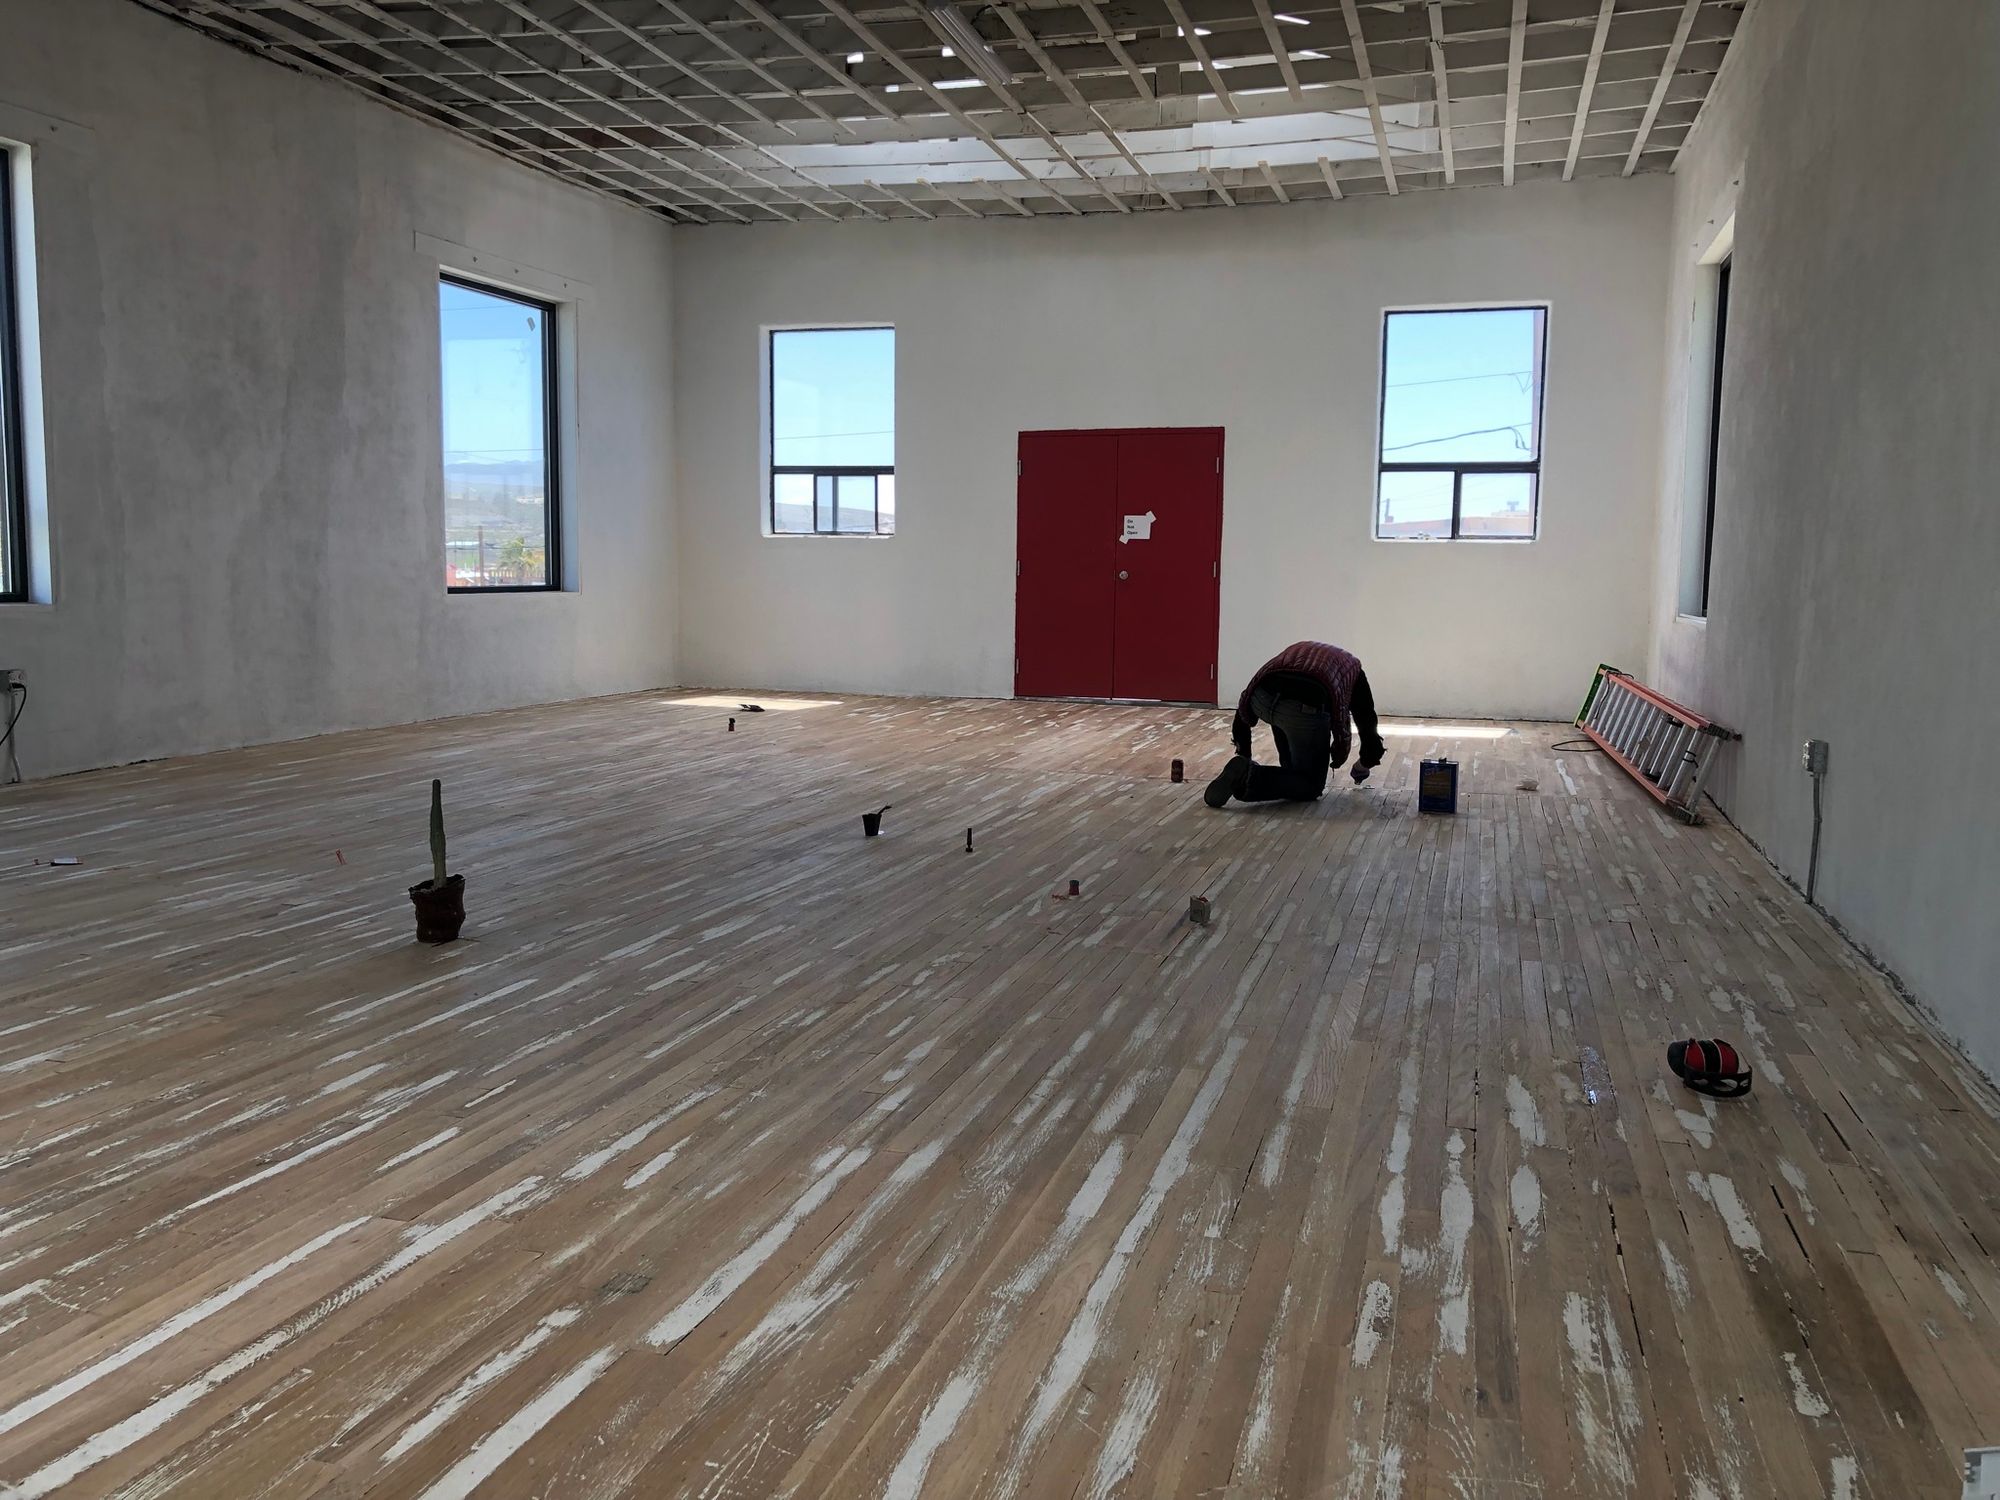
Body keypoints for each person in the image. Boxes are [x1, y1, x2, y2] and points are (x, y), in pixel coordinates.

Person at [1204, 640, 1385, 807]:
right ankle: (1249, 777)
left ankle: (1263, 773)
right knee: (1311, 784)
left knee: (1290, 764)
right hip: (1301, 709)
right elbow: (1368, 726)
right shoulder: (1355, 673)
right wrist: (1361, 768)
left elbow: (1250, 693)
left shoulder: (1297, 654)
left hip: (1260, 698)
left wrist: (1244, 753)